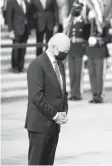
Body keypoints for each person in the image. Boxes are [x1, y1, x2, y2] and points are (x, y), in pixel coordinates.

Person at [26, 33, 70, 165]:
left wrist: (63, 112)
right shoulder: (37, 64)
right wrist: (54, 114)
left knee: (48, 162)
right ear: (54, 47)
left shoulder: (60, 65)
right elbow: (36, 96)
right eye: (64, 51)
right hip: (40, 124)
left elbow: (63, 92)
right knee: (37, 162)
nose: (65, 55)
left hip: (54, 125)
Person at [86, 1, 112, 104]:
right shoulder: (89, 23)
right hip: (90, 51)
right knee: (92, 74)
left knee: (99, 74)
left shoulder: (105, 23)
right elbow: (84, 35)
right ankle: (94, 94)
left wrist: (99, 40)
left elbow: (109, 38)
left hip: (100, 51)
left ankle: (99, 95)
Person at [67, 1, 90, 101]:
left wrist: (86, 52)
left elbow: (86, 38)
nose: (75, 10)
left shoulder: (84, 22)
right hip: (71, 49)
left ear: (80, 9)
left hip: (80, 49)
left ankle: (78, 93)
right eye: (74, 8)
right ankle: (73, 93)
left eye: (77, 8)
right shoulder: (70, 21)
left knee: (78, 73)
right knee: (72, 73)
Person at [6, 0, 33, 73]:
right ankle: (15, 66)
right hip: (16, 29)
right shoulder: (10, 2)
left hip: (25, 29)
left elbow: (28, 15)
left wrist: (30, 28)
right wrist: (10, 30)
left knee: (23, 48)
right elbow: (9, 17)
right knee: (16, 48)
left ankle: (21, 66)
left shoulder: (25, 2)